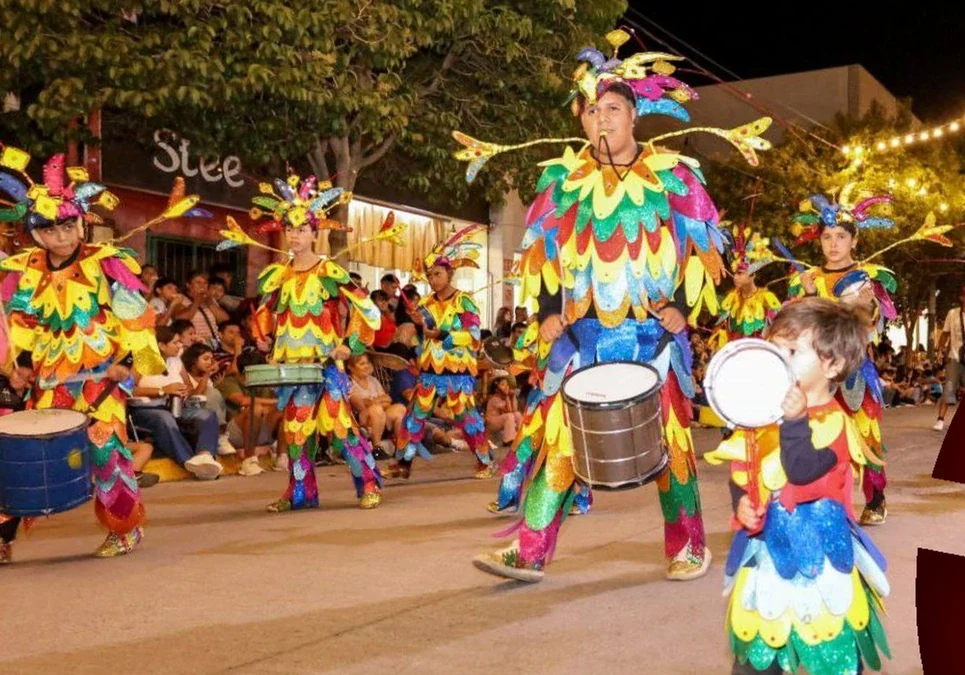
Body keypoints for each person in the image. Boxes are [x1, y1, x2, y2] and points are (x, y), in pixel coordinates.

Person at [469, 30, 772, 582]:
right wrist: (545, 314)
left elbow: (705, 252)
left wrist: (682, 308)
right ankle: (529, 551)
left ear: (635, 115)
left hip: (651, 339)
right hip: (582, 338)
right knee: (559, 446)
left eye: (612, 108)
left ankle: (687, 547)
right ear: (580, 121)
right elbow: (539, 263)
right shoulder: (560, 185)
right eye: (591, 111)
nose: (601, 119)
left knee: (670, 449)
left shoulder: (674, 178)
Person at [704, 298, 890, 675]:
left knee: (833, 657)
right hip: (768, 560)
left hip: (823, 568)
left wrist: (795, 422)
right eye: (774, 347)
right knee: (756, 659)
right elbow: (743, 471)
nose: (777, 358)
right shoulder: (761, 416)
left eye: (791, 350)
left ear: (832, 365)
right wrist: (743, 505)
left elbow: (803, 472)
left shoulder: (835, 424)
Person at [0, 147, 166, 559]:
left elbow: (136, 319)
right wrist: (17, 366)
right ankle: (2, 539)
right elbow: (20, 323)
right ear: (37, 233)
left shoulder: (107, 263)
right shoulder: (26, 270)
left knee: (106, 449)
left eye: (67, 226)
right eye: (51, 230)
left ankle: (125, 527)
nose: (61, 237)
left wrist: (125, 364)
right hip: (51, 378)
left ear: (80, 224)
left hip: (99, 376)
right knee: (25, 454)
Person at [246, 172, 384, 510]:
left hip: (326, 367)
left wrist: (348, 346)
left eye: (302, 229)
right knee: (295, 434)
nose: (295, 235)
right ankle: (301, 492)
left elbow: (367, 310)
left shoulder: (329, 271)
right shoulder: (278, 274)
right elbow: (263, 312)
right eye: (290, 229)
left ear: (314, 233)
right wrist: (263, 339)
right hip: (293, 370)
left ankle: (368, 483)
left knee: (341, 430)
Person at [788, 188, 897, 526]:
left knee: (866, 435)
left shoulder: (869, 280)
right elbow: (791, 327)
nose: (833, 243)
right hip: (815, 374)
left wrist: (862, 307)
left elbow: (871, 325)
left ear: (853, 240)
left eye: (840, 236)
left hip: (854, 372)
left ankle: (876, 498)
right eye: (826, 236)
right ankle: (822, 498)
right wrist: (805, 297)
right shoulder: (804, 280)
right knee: (818, 435)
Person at [383, 226, 492, 480]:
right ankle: (404, 464)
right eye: (430, 275)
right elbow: (424, 331)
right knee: (415, 415)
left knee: (466, 417)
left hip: (457, 369)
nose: (433, 279)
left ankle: (485, 460)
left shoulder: (464, 301)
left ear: (449, 274)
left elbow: (474, 336)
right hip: (431, 369)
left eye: (438, 274)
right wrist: (417, 323)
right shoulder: (427, 303)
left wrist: (444, 335)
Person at [132, 326, 223, 479]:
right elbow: (129, 390)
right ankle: (189, 461)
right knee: (165, 419)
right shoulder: (142, 361)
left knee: (207, 415)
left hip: (176, 406)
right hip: (147, 410)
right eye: (175, 343)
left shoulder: (175, 361)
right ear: (161, 345)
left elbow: (188, 387)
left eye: (180, 342)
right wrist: (162, 390)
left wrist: (186, 391)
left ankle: (204, 456)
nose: (180, 346)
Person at [708, 224, 782, 350]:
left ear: (753, 275)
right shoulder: (731, 298)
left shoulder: (766, 298)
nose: (735, 277)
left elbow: (778, 330)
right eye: (735, 273)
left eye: (740, 273)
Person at [218, 350, 284, 475]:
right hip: (235, 432)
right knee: (256, 409)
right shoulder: (228, 382)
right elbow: (242, 401)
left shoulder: (262, 383)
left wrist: (275, 403)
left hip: (260, 428)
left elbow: (269, 409)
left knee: (284, 409)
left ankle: (282, 457)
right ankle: (249, 461)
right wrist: (274, 401)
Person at [347, 353, 405, 458]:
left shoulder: (373, 380)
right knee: (376, 409)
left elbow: (388, 399)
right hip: (361, 420)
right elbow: (360, 405)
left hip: (380, 416)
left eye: (367, 363)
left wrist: (373, 401)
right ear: (351, 367)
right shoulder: (349, 382)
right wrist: (378, 402)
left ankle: (400, 447)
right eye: (362, 364)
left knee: (400, 408)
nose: (366, 366)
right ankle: (376, 448)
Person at [933, 284, 965, 430]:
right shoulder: (953, 314)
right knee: (949, 389)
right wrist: (939, 350)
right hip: (955, 357)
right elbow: (945, 333)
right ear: (961, 297)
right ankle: (940, 419)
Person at [174, 270, 229, 349]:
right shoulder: (181, 299)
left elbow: (224, 319)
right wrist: (196, 302)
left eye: (205, 283)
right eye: (198, 282)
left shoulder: (210, 300)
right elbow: (181, 319)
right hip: (195, 345)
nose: (202, 286)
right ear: (188, 285)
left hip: (214, 343)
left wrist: (209, 301)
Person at [485, 376, 521, 447]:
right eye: (502, 384)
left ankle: (521, 437)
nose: (506, 387)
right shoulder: (494, 399)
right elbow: (509, 411)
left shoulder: (504, 398)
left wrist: (513, 396)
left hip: (500, 421)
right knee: (509, 416)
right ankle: (509, 440)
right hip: (491, 424)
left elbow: (515, 411)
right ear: (496, 389)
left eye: (507, 384)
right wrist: (507, 396)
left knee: (518, 414)